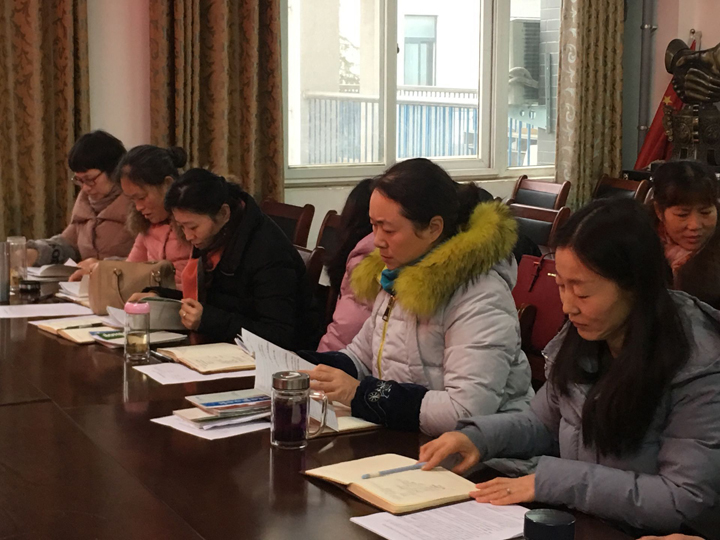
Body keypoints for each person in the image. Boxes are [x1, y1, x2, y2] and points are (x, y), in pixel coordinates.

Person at [419, 198, 720, 534]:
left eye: (583, 293)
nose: (567, 306)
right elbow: (543, 423)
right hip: (588, 520)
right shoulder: (585, 338)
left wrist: (553, 481)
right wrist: (478, 438)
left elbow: (682, 499)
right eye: (561, 285)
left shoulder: (698, 364)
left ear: (636, 286)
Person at [302, 158, 533, 436]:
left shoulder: (480, 295)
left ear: (433, 228)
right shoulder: (400, 273)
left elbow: (466, 412)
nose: (377, 241)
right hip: (411, 435)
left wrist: (360, 394)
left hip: (487, 449)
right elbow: (360, 358)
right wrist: (300, 366)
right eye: (373, 226)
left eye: (389, 230)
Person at [135, 168, 318, 348]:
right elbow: (218, 300)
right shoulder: (218, 237)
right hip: (229, 347)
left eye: (193, 227)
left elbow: (278, 335)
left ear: (223, 213)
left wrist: (207, 320)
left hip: (281, 357)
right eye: (181, 227)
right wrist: (160, 298)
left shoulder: (267, 251)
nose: (188, 236)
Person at [71, 145, 193, 286]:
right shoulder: (146, 226)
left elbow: (200, 286)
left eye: (141, 197)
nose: (138, 207)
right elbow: (131, 268)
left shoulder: (193, 225)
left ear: (168, 184)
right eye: (132, 200)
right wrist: (100, 270)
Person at [27, 130, 134, 275]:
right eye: (79, 180)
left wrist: (102, 266)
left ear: (115, 171)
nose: (85, 188)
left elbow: (149, 260)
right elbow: (68, 245)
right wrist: (34, 253)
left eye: (90, 179)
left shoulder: (138, 205)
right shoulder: (85, 204)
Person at [652, 160, 720, 308]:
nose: (695, 225)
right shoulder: (640, 243)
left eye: (705, 212)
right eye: (682, 214)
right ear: (659, 211)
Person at [317, 178, 374, 352]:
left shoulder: (365, 258)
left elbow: (347, 331)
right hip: (341, 355)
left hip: (337, 355)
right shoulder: (363, 256)